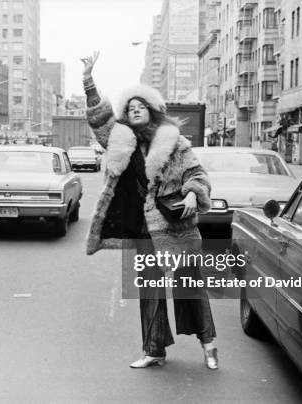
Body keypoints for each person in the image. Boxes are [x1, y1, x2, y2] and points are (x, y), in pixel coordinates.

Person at [81, 51, 218, 370]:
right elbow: (100, 120)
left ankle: (209, 345)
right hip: (143, 232)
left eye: (140, 106)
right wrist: (89, 81)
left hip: (176, 229)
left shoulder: (175, 143)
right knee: (150, 294)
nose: (135, 111)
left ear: (152, 111)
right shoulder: (119, 141)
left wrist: (194, 194)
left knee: (191, 289)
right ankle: (154, 349)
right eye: (130, 108)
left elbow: (196, 174)